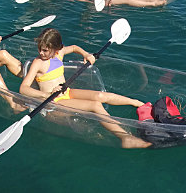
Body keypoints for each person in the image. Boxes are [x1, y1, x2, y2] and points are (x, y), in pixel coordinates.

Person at [20, 28, 152, 148]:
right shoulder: (38, 63)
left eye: (45, 50)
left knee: (100, 96)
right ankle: (125, 138)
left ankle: (139, 103)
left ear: (55, 48)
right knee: (95, 106)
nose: (41, 53)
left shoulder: (59, 53)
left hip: (67, 93)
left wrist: (86, 55)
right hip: (53, 103)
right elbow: (24, 88)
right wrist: (47, 94)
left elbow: (73, 47)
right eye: (40, 49)